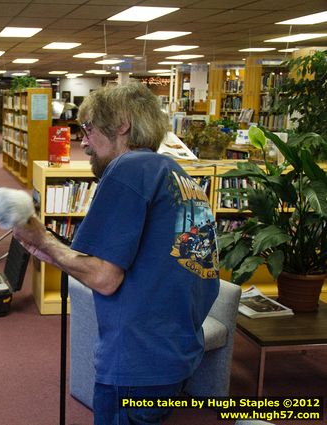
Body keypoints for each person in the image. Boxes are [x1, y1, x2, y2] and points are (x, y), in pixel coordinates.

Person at [12, 83, 220, 425]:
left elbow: (105, 278)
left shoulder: (129, 169)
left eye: (89, 128)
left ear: (122, 123)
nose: (82, 141)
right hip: (175, 352)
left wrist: (44, 241)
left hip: (136, 361)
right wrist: (47, 248)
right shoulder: (180, 176)